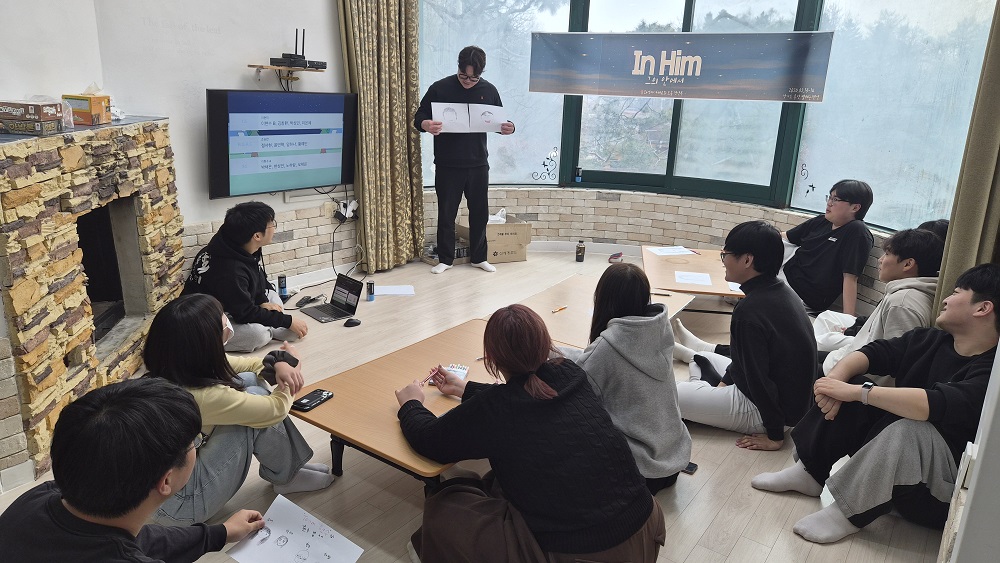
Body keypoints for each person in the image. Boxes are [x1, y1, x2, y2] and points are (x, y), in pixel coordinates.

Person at [751, 263, 1000, 544]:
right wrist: (837, 380)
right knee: (856, 383)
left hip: (936, 493)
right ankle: (809, 471)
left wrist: (857, 392)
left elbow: (933, 404)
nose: (945, 299)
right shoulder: (931, 340)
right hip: (898, 475)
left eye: (955, 293)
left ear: (983, 308)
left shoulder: (992, 372)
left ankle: (845, 512)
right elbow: (874, 352)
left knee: (905, 425)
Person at [394, 304, 664, 562]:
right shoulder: (570, 372)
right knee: (506, 477)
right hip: (648, 526)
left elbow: (428, 439)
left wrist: (411, 403)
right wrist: (465, 389)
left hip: (586, 553)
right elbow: (528, 396)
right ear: (545, 343)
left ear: (492, 358)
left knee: (443, 507)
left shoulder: (496, 409)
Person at [0, 378, 265, 562]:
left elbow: (139, 539)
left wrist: (220, 533)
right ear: (166, 480)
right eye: (194, 442)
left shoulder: (37, 499)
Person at [144, 294, 333, 526]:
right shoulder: (200, 396)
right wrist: (291, 374)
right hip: (181, 507)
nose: (227, 320)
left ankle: (288, 470)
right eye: (221, 318)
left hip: (165, 490)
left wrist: (280, 363)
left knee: (247, 379)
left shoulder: (175, 367)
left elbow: (251, 365)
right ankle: (287, 476)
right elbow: (274, 410)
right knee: (253, 405)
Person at [674, 221, 816, 451]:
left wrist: (774, 435)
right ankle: (703, 380)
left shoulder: (750, 311)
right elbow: (746, 360)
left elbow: (758, 379)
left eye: (726, 255)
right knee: (704, 357)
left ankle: (700, 385)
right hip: (787, 404)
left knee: (669, 395)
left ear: (747, 260)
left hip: (766, 411)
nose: (723, 261)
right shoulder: (782, 291)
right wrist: (724, 384)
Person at [558, 263, 691, 494]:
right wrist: (558, 352)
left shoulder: (606, 348)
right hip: (673, 460)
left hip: (639, 471)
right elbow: (590, 361)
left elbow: (577, 389)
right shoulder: (659, 331)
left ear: (603, 299)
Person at [414, 45, 515, 275]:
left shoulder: (489, 90)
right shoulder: (440, 88)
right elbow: (419, 116)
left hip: (478, 162)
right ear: (458, 68)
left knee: (479, 213)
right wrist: (426, 124)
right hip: (447, 163)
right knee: (446, 213)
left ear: (481, 73)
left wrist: (509, 127)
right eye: (463, 76)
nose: (468, 81)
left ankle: (479, 257)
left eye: (473, 77)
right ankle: (445, 259)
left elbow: (497, 121)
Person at [813, 228, 944, 378]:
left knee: (798, 361)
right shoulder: (909, 293)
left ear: (908, 264)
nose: (880, 260)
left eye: (887, 254)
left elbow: (893, 365)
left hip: (857, 375)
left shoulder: (902, 303)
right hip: (852, 360)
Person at [184, 201, 308, 352]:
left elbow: (257, 278)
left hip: (233, 303)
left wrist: (262, 301)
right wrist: (287, 321)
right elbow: (244, 313)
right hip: (207, 320)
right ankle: (268, 330)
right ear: (257, 236)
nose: (274, 227)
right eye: (271, 224)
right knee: (258, 335)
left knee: (272, 295)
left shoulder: (236, 243)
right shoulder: (230, 271)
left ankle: (269, 325)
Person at [781, 180, 875, 315]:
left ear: (855, 208)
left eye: (835, 199)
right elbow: (786, 237)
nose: (829, 203)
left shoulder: (857, 232)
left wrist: (848, 319)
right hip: (785, 271)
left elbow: (850, 278)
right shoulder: (823, 220)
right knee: (765, 238)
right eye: (829, 197)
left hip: (801, 293)